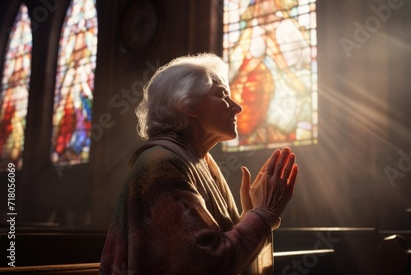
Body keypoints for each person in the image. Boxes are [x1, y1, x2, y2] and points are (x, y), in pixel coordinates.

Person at [99, 53, 298, 275]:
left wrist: (249, 216)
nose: (237, 107)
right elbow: (204, 263)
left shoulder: (200, 162)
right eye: (223, 95)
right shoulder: (160, 166)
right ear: (187, 104)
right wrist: (262, 214)